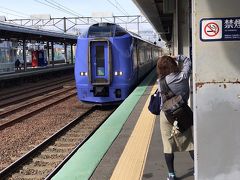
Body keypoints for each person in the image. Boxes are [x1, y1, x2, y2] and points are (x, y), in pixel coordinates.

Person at [157, 55, 194, 180]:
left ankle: (171, 175)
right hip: (182, 114)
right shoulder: (183, 76)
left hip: (167, 115)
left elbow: (162, 100)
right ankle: (198, 169)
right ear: (174, 64)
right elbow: (188, 60)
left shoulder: (160, 81)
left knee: (168, 145)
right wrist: (177, 57)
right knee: (189, 143)